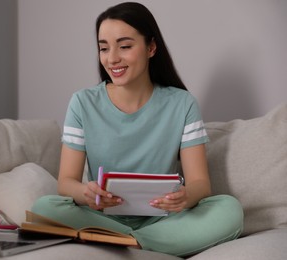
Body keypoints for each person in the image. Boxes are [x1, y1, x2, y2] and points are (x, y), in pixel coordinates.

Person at [32, 2, 243, 257]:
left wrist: (185, 197)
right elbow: (66, 183)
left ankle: (126, 241)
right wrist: (85, 193)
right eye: (104, 48)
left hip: (163, 220)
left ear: (151, 47)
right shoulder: (82, 103)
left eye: (125, 46)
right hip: (101, 215)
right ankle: (144, 243)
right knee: (45, 208)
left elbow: (200, 183)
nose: (112, 58)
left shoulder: (182, 103)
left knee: (229, 210)